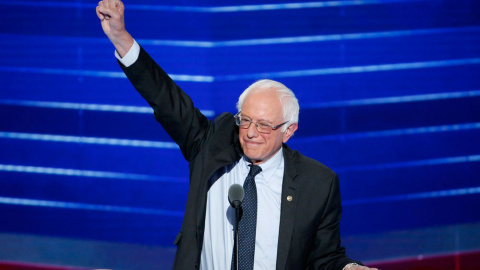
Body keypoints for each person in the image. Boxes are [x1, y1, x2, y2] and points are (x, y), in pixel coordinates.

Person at [96, 1, 378, 270]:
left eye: (265, 125)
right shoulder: (212, 147)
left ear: (289, 130)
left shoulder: (317, 183)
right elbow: (166, 100)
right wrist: (120, 37)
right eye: (245, 121)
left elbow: (325, 257)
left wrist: (351, 267)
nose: (252, 133)